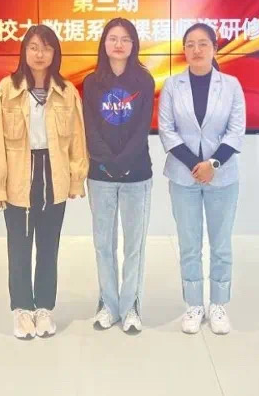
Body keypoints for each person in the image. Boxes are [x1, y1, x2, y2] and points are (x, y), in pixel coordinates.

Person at [0, 24, 89, 340]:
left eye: (46, 47)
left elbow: (77, 140)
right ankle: (21, 309)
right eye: (33, 47)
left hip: (53, 173)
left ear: (55, 53)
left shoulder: (67, 92)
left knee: (48, 246)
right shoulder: (6, 91)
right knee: (19, 246)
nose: (39, 54)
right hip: (18, 174)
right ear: (24, 52)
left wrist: (76, 179)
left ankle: (44, 307)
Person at [158, 23, 246, 335]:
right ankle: (194, 304)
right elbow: (167, 130)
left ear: (214, 48)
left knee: (220, 244)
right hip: (183, 177)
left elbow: (236, 131)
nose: (196, 50)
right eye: (190, 44)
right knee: (189, 244)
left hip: (222, 177)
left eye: (203, 44)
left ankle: (218, 304)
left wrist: (213, 164)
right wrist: (196, 166)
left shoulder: (231, 85)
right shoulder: (172, 85)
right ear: (184, 50)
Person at [82, 18, 155, 334]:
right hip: (100, 174)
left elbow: (142, 128)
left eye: (126, 39)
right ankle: (108, 305)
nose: (119, 44)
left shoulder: (144, 80)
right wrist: (108, 163)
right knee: (104, 243)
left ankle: (131, 306)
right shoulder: (91, 82)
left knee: (134, 244)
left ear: (133, 44)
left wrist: (124, 162)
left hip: (136, 173)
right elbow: (90, 127)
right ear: (104, 43)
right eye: (113, 38)